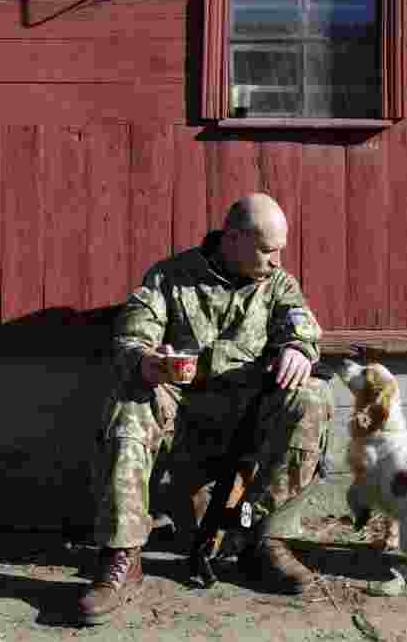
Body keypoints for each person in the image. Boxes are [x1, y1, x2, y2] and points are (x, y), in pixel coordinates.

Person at [77, 193, 334, 625]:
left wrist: (298, 349)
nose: (277, 259)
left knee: (311, 396)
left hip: (248, 414)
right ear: (232, 239)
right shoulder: (171, 278)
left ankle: (264, 540)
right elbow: (129, 337)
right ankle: (123, 557)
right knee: (129, 402)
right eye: (268, 249)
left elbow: (302, 326)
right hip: (181, 408)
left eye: (280, 249)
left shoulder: (278, 284)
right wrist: (147, 361)